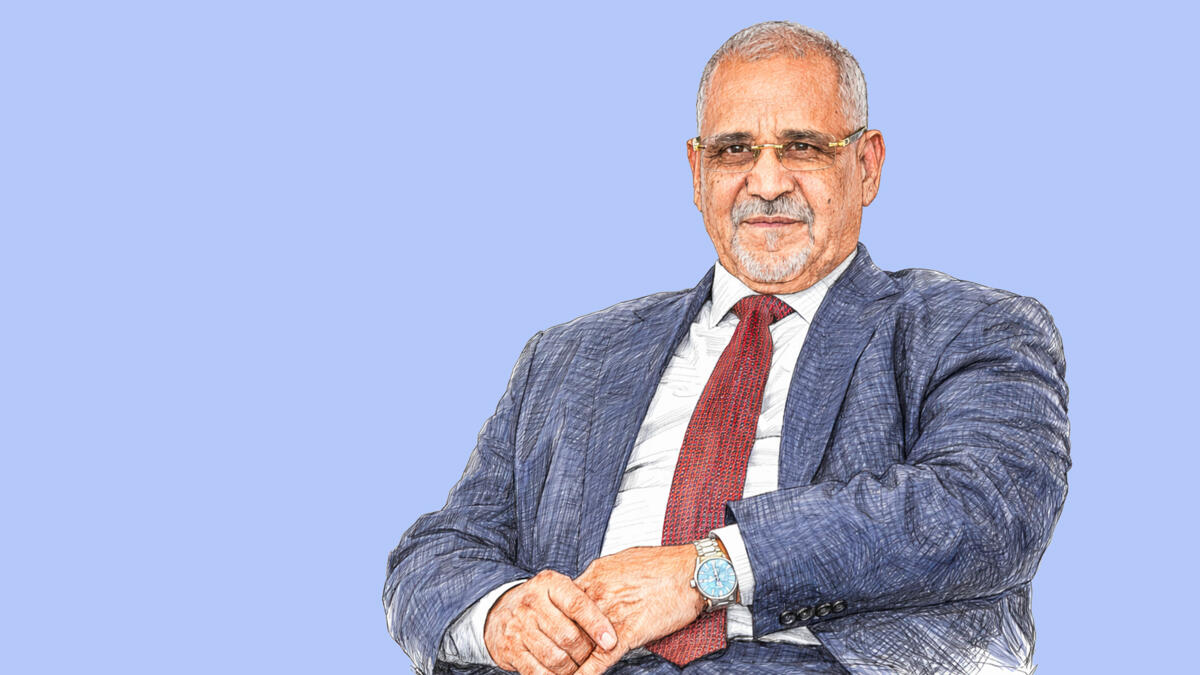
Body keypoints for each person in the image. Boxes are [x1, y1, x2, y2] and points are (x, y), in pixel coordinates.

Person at [383, 21, 1069, 675]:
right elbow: (437, 552)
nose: (766, 184)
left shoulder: (969, 326)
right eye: (734, 150)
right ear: (696, 171)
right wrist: (503, 614)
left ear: (867, 165)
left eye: (802, 147)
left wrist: (708, 571)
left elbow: (984, 509)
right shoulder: (568, 357)